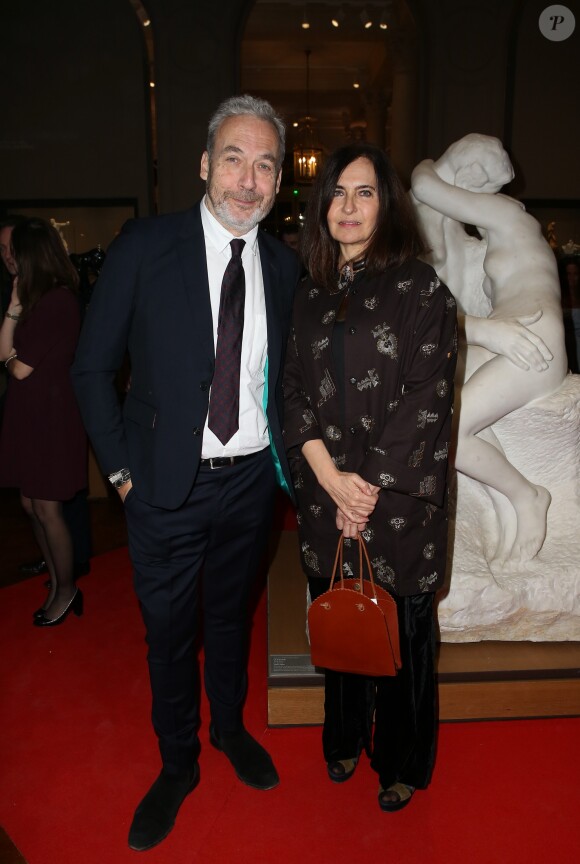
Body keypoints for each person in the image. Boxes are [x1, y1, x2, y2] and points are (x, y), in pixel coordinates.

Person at [71, 94, 301, 851]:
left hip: (249, 487)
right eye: (234, 158)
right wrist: (123, 474)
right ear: (205, 164)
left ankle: (230, 729)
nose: (248, 178)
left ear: (277, 181)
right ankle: (178, 764)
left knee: (233, 620)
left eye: (265, 163)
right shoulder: (145, 246)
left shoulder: (285, 265)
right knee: (169, 636)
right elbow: (91, 368)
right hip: (163, 485)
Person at [283, 143, 457, 811]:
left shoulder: (420, 288)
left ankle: (403, 760)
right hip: (327, 495)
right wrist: (330, 477)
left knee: (404, 636)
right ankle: (344, 737)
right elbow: (291, 391)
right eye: (338, 193)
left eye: (365, 193)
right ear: (321, 206)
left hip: (399, 503)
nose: (349, 207)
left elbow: (427, 397)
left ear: (387, 207)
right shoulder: (306, 294)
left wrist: (369, 486)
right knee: (340, 622)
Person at [410, 134, 567, 568]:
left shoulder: (506, 215)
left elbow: (425, 187)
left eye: (474, 183)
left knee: (447, 430)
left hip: (535, 339)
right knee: (444, 399)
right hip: (512, 335)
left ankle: (527, 495)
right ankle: (507, 504)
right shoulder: (496, 236)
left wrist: (434, 164)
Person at [0, 218, 88, 625]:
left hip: (51, 419)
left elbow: (16, 367)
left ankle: (67, 590)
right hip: (32, 415)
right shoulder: (36, 299)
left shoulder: (57, 301)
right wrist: (14, 311)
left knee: (47, 508)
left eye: (14, 250)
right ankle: (56, 580)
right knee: (30, 503)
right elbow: (7, 356)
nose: (8, 257)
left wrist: (13, 316)